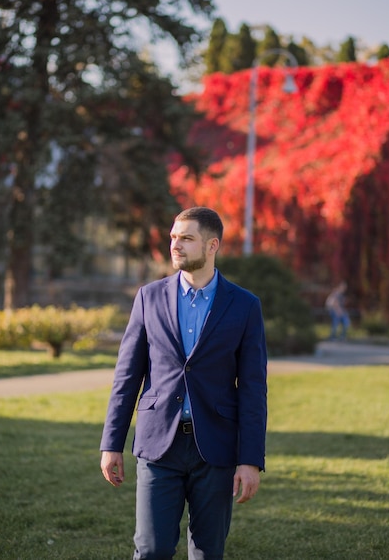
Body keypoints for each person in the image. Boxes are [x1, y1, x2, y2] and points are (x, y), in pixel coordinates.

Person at [100, 206, 267, 560]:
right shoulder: (149, 297)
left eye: (186, 238)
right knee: (151, 549)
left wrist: (250, 460)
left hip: (217, 448)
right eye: (174, 237)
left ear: (212, 246)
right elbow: (127, 376)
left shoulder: (245, 306)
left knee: (207, 553)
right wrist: (111, 443)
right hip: (159, 445)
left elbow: (253, 389)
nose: (175, 245)